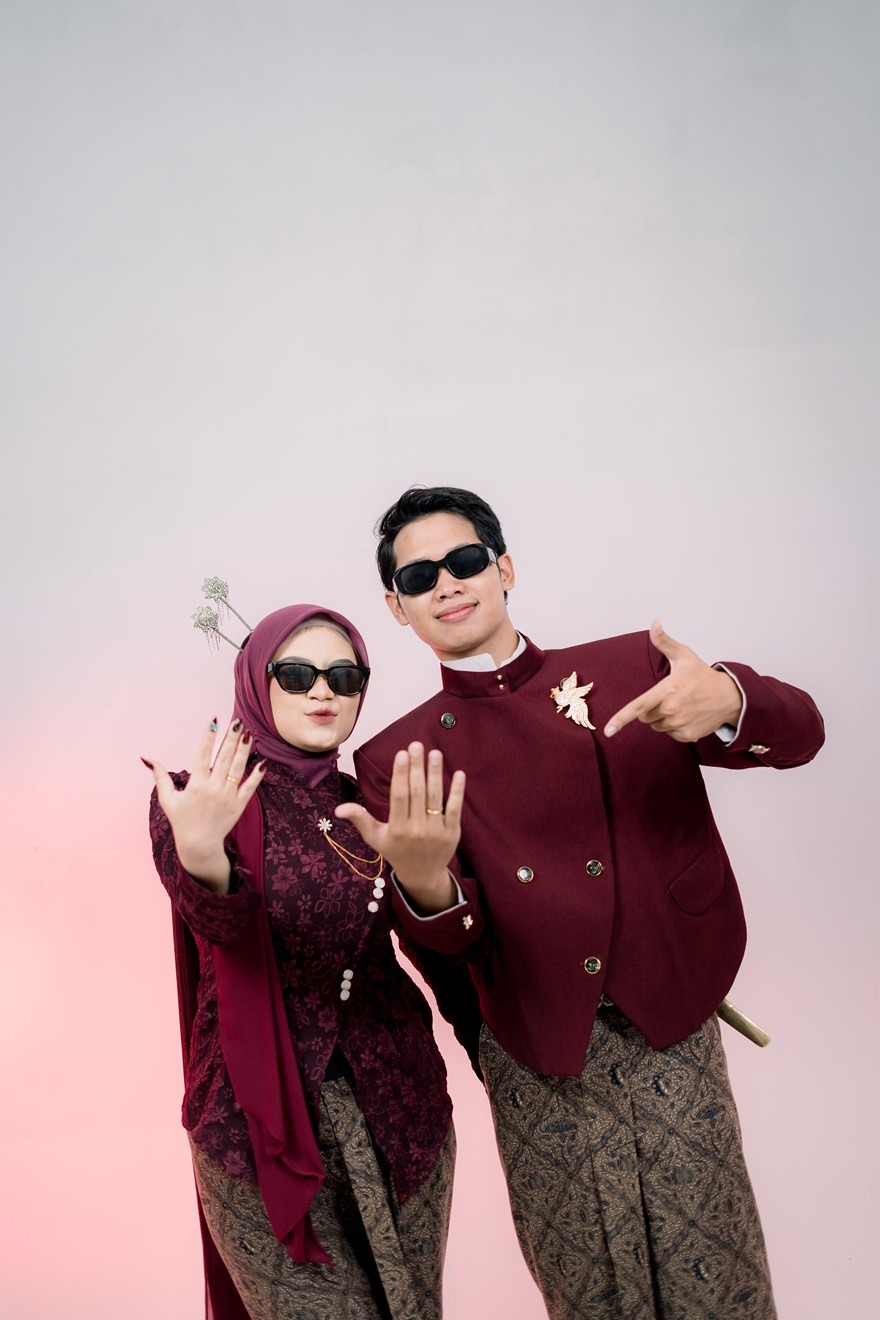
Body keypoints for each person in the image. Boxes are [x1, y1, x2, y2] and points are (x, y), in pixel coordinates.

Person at [335, 487, 825, 1320]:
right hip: (537, 1060)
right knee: (591, 1295)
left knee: (720, 1280)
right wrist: (423, 886)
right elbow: (447, 946)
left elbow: (804, 733)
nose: (447, 584)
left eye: (464, 561)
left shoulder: (633, 666)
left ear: (504, 568)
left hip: (671, 1020)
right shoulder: (395, 757)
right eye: (419, 577)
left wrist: (731, 700)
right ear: (397, 608)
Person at [147, 604, 455, 1320]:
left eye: (344, 677)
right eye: (297, 674)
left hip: (400, 1113)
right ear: (257, 682)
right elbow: (218, 925)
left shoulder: (372, 803)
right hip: (252, 1128)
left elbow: (438, 945)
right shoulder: (198, 800)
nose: (323, 691)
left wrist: (430, 880)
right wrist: (203, 854)